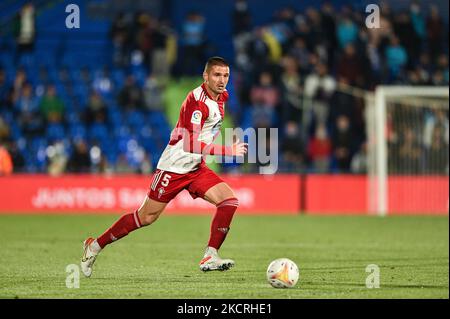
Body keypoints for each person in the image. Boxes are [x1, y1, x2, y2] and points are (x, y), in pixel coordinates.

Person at [81, 57, 248, 277]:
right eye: (217, 75)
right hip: (174, 167)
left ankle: (210, 255)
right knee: (145, 217)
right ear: (205, 76)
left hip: (196, 167)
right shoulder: (196, 102)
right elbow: (190, 143)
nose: (222, 80)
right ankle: (94, 246)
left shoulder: (222, 97)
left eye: (226, 75)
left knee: (229, 201)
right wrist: (227, 151)